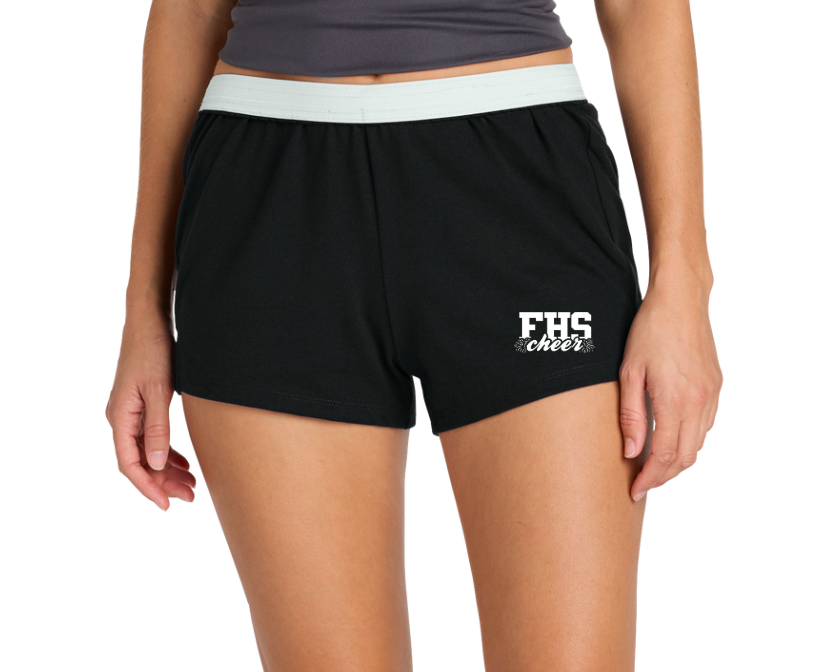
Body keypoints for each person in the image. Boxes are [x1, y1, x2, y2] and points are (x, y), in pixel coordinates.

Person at [105, 0, 722, 669]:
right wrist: (144, 307)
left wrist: (684, 286)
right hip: (267, 203)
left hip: (517, 185)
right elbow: (191, 11)